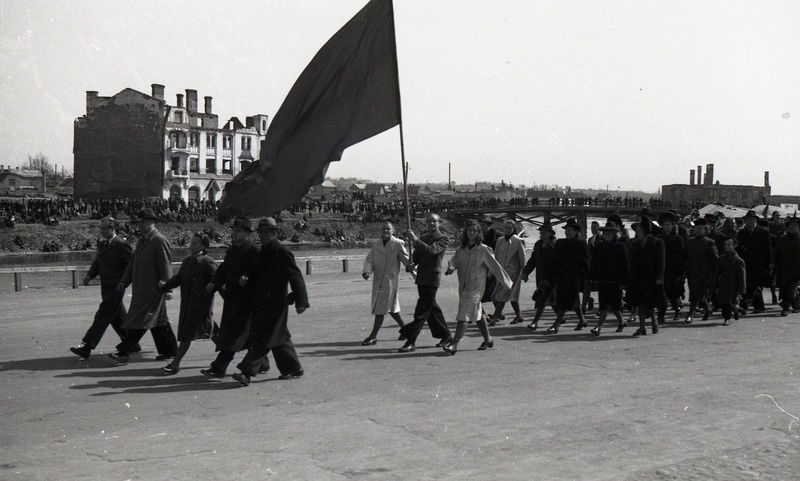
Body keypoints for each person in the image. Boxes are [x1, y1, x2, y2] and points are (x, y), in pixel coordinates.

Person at [231, 217, 309, 387]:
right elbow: (255, 270)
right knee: (280, 337)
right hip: (262, 304)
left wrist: (301, 301)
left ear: (275, 233)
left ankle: (246, 372)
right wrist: (247, 276)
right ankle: (294, 368)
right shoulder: (263, 251)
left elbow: (296, 277)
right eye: (261, 233)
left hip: (276, 304)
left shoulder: (282, 252)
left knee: (263, 338)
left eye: (267, 233)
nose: (263, 236)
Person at [108, 208, 178, 365]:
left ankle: (124, 352)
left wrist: (168, 287)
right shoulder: (142, 241)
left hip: (154, 291)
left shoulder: (159, 240)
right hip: (141, 290)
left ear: (152, 222)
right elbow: (132, 264)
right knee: (158, 321)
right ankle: (170, 350)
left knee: (141, 320)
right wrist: (124, 281)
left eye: (144, 222)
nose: (140, 225)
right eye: (139, 222)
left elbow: (166, 266)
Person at [200, 217, 261, 379]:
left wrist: (247, 277)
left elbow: (259, 272)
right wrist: (214, 283)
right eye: (233, 231)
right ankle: (263, 363)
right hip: (232, 298)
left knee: (235, 335)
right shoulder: (232, 250)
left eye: (238, 231)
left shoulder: (254, 250)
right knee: (248, 335)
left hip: (246, 301)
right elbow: (223, 269)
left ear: (247, 234)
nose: (234, 234)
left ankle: (219, 367)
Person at [69, 216, 137, 358]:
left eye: (104, 229)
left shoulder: (121, 245)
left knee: (103, 315)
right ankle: (132, 343)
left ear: (113, 229)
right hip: (105, 285)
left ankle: (87, 347)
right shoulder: (103, 244)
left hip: (116, 286)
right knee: (117, 316)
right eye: (100, 228)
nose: (101, 231)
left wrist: (124, 282)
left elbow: (132, 266)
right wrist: (89, 275)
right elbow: (98, 262)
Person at [443, 219, 512, 354]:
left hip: (477, 287)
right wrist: (450, 268)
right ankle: (488, 339)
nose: (472, 233)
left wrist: (507, 283)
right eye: (470, 230)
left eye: (475, 230)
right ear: (465, 232)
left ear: (479, 233)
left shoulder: (483, 249)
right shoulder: (460, 249)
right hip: (464, 286)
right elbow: (454, 261)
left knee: (464, 313)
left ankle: (454, 344)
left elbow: (495, 267)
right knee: (477, 313)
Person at [158, 232, 217, 374]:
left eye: (195, 243)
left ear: (203, 246)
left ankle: (175, 364)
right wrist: (165, 285)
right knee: (214, 333)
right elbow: (179, 279)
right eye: (191, 243)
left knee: (187, 336)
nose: (191, 246)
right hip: (188, 305)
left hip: (201, 306)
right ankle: (257, 361)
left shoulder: (207, 262)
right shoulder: (187, 261)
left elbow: (217, 281)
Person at [397, 214, 453, 353]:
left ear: (439, 223)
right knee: (431, 308)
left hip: (432, 278)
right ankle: (446, 335)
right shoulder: (423, 238)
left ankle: (410, 338)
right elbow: (417, 257)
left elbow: (431, 251)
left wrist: (415, 239)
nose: (431, 223)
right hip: (422, 277)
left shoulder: (443, 239)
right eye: (428, 221)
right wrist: (411, 264)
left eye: (434, 221)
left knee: (421, 310)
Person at [360, 222, 409, 345]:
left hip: (391, 280)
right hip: (378, 280)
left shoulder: (398, 243)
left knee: (380, 308)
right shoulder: (376, 244)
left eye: (388, 229)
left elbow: (406, 259)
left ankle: (373, 336)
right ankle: (407, 331)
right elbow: (370, 259)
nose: (386, 231)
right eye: (383, 229)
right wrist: (367, 271)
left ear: (393, 231)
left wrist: (412, 268)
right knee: (392, 308)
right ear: (380, 231)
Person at [543, 218, 589, 334]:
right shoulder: (560, 243)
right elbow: (555, 260)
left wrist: (588, 275)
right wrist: (550, 274)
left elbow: (584, 261)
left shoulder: (581, 243)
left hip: (575, 277)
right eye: (567, 230)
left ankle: (556, 325)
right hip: (562, 276)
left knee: (565, 302)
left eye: (570, 230)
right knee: (572, 300)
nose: (568, 232)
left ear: (576, 232)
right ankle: (582, 320)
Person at [588, 220, 629, 335]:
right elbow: (594, 263)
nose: (607, 235)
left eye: (609, 233)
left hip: (615, 280)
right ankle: (621, 322)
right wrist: (593, 276)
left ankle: (598, 327)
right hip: (603, 279)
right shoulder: (599, 246)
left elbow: (624, 265)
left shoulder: (621, 247)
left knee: (611, 305)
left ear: (615, 234)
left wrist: (623, 282)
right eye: (605, 232)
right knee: (607, 305)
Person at [627, 219, 665, 336]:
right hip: (638, 277)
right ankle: (642, 327)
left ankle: (654, 323)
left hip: (652, 276)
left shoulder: (657, 242)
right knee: (640, 303)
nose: (637, 231)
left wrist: (659, 276)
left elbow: (661, 260)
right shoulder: (635, 243)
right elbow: (632, 262)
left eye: (640, 229)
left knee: (650, 303)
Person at [521, 222, 557, 331]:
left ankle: (535, 322)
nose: (542, 234)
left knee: (543, 299)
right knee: (549, 299)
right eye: (541, 232)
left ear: (550, 233)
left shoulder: (555, 245)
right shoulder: (538, 244)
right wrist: (526, 272)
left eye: (545, 232)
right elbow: (533, 260)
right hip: (541, 276)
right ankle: (563, 317)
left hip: (552, 277)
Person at [490, 219, 526, 325]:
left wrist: (525, 273)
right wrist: (491, 273)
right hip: (500, 272)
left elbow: (523, 259)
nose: (507, 230)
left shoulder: (518, 241)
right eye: (505, 228)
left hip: (513, 273)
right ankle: (518, 316)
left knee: (502, 295)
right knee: (499, 296)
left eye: (509, 228)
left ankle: (494, 317)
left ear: (513, 229)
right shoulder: (499, 240)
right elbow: (494, 257)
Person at [737, 210, 772, 314]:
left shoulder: (763, 231)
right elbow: (739, 247)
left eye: (751, 220)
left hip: (759, 263)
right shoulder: (742, 232)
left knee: (754, 284)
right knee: (751, 284)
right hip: (746, 262)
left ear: (756, 220)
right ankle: (759, 306)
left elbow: (768, 248)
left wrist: (769, 263)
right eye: (747, 220)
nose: (749, 222)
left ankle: (744, 304)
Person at [684, 218, 718, 324]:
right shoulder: (690, 241)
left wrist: (714, 273)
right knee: (698, 294)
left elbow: (715, 259)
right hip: (692, 271)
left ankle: (690, 314)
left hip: (704, 272)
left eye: (700, 228)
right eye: (696, 228)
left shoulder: (710, 242)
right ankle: (707, 310)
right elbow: (686, 257)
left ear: (705, 229)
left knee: (697, 294)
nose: (697, 230)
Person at [657, 212, 687, 322]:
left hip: (673, 269)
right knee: (662, 293)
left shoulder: (678, 239)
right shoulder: (659, 238)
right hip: (662, 268)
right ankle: (661, 315)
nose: (665, 227)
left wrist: (680, 273)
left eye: (668, 225)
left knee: (673, 293)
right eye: (664, 225)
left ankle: (677, 310)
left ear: (673, 226)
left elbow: (681, 257)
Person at [713, 237, 746, 325]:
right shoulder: (721, 259)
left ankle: (735, 309)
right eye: (725, 245)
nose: (726, 246)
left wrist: (742, 289)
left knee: (731, 301)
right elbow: (716, 273)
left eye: (729, 245)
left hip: (734, 285)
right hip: (723, 284)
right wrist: (715, 285)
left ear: (734, 246)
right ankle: (727, 317)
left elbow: (742, 276)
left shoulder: (739, 261)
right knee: (724, 302)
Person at [774, 216, 800, 316]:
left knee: (792, 289)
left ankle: (785, 307)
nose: (792, 228)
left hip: (798, 270)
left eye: (795, 226)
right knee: (785, 288)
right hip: (784, 268)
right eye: (790, 226)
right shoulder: (782, 239)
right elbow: (776, 252)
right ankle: (797, 305)